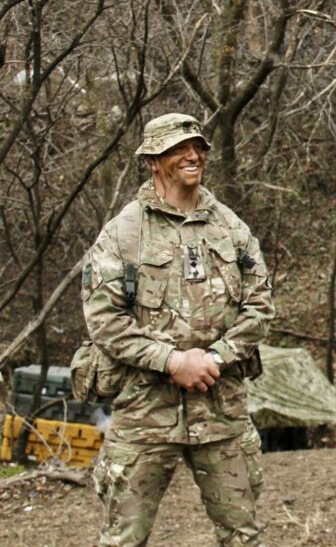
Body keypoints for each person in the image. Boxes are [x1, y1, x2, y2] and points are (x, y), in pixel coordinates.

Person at [80, 113, 274, 546]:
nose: (192, 156)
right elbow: (104, 321)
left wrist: (215, 358)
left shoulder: (230, 226)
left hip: (221, 410)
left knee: (242, 536)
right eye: (177, 149)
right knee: (123, 539)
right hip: (145, 414)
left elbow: (261, 305)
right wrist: (171, 361)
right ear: (153, 160)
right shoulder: (123, 233)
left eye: (198, 147)